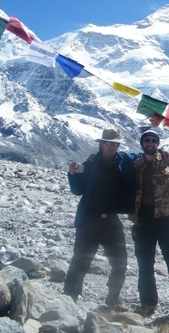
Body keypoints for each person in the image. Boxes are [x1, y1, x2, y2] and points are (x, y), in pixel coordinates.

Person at [63, 128, 138, 309]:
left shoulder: (123, 161)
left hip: (112, 220)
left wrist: (160, 152)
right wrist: (72, 175)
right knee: (80, 261)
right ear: (101, 144)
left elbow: (141, 155)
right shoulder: (89, 164)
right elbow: (77, 190)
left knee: (120, 263)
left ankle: (112, 299)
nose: (111, 147)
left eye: (114, 144)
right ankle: (69, 299)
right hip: (89, 220)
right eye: (107, 143)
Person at [131, 130, 169, 318]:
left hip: (167, 218)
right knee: (145, 265)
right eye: (147, 140)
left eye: (153, 140)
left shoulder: (168, 161)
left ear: (158, 144)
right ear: (142, 143)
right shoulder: (137, 164)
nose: (150, 143)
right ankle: (148, 304)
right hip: (143, 219)